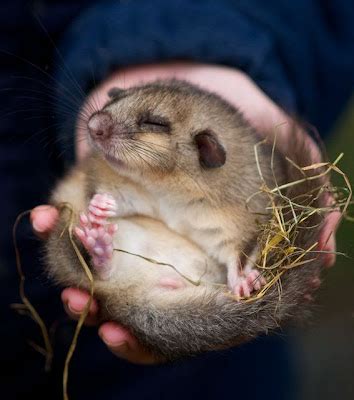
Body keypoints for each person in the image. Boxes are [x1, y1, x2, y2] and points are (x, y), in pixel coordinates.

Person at [1, 1, 353, 399]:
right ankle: (97, 254)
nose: (98, 124)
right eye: (116, 101)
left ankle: (100, 256)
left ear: (206, 152)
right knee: (79, 233)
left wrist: (242, 269)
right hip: (106, 272)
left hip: (180, 369)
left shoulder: (232, 189)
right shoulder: (113, 171)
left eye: (150, 124)